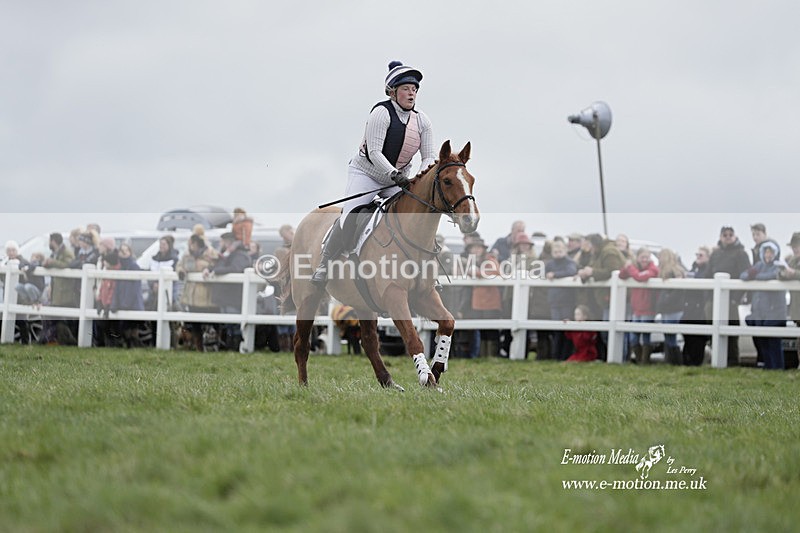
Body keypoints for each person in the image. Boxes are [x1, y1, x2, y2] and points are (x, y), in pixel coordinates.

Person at [311, 60, 435, 287]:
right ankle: (325, 263)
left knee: (418, 215)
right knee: (351, 216)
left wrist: (418, 179)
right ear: (392, 92)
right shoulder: (381, 113)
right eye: (406, 89)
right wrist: (395, 175)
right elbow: (375, 152)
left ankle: (428, 270)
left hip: (400, 178)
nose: (412, 93)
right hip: (367, 174)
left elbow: (429, 156)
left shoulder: (423, 121)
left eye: (415, 89)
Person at [707, 226, 751, 366]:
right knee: (714, 329)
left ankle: (732, 361)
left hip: (731, 299)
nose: (727, 237)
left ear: (735, 236)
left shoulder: (741, 254)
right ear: (720, 237)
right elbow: (708, 275)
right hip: (715, 298)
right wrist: (709, 297)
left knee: (731, 331)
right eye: (724, 234)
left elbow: (745, 275)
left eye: (730, 234)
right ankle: (717, 359)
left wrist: (735, 299)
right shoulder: (715, 254)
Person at [740, 241, 786, 370]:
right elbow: (743, 275)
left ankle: (777, 367)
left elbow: (773, 276)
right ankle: (768, 366)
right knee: (763, 341)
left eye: (771, 252)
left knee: (774, 342)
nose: (768, 255)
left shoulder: (779, 266)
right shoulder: (759, 265)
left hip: (774, 312)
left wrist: (756, 276)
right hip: (759, 312)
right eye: (766, 252)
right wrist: (752, 275)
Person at [204, 232, 252, 350]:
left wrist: (217, 271)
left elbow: (235, 268)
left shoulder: (240, 255)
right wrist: (209, 269)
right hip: (225, 295)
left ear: (227, 242)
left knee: (234, 323)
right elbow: (219, 265)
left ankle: (234, 346)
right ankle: (229, 346)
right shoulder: (227, 254)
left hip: (233, 295)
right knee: (228, 323)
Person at [176, 234, 220, 350]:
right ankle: (198, 346)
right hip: (191, 295)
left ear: (196, 243)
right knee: (195, 323)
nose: (190, 246)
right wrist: (181, 271)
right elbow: (180, 265)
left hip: (207, 295)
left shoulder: (211, 253)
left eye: (191, 243)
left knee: (213, 321)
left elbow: (216, 265)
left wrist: (207, 269)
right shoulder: (187, 255)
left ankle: (215, 345)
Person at [619, 247, 659, 364]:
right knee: (633, 337)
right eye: (642, 257)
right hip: (636, 309)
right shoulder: (635, 268)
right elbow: (622, 275)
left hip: (648, 309)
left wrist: (630, 267)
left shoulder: (653, 269)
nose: (644, 260)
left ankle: (644, 361)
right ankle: (639, 360)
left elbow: (640, 277)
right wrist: (626, 267)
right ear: (638, 258)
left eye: (647, 257)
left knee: (646, 337)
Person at [546, 240, 578, 359]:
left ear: (565, 251)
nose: (558, 253)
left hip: (566, 301)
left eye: (560, 251)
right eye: (555, 251)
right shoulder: (550, 264)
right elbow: (544, 273)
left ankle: (565, 355)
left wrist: (555, 274)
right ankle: (555, 355)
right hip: (554, 301)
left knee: (566, 330)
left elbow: (571, 271)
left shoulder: (569, 262)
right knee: (556, 329)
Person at [681, 246, 712, 366]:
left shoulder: (707, 270)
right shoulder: (693, 269)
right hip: (689, 308)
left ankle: (696, 363)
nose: (698, 257)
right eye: (697, 255)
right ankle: (687, 363)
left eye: (701, 255)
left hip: (700, 309)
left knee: (698, 339)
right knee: (688, 338)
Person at [112, 242, 146, 347]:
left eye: (125, 251)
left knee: (132, 330)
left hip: (132, 303)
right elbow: (117, 287)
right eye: (121, 251)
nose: (122, 253)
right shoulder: (121, 267)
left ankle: (134, 347)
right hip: (123, 303)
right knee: (125, 330)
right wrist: (116, 302)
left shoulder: (134, 266)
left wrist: (126, 302)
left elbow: (134, 288)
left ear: (130, 252)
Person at [656, 248, 686, 365]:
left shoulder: (674, 270)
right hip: (666, 307)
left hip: (673, 308)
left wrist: (666, 300)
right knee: (668, 335)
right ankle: (671, 361)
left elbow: (678, 290)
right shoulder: (665, 270)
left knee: (671, 336)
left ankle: (676, 362)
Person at [779, 232, 800, 368]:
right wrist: (784, 274)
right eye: (793, 247)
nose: (795, 249)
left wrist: (795, 274)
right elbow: (780, 273)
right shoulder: (791, 260)